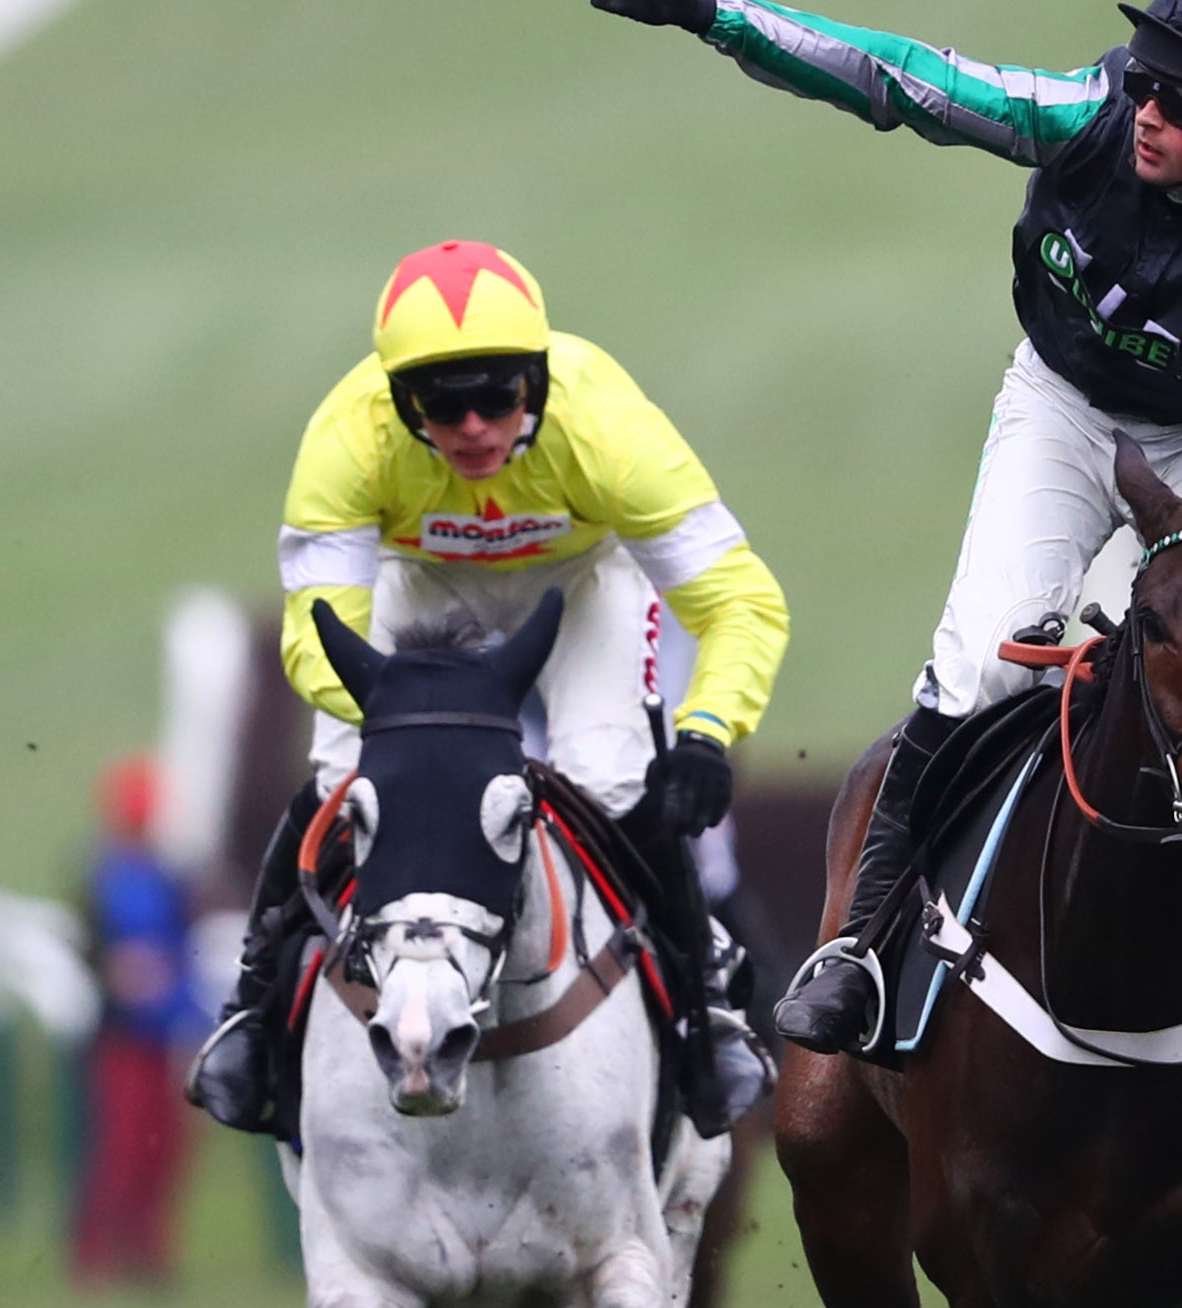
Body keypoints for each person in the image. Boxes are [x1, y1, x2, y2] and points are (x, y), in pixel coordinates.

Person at [577, 0, 1182, 1069]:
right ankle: (861, 943)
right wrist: (710, 15)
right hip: (1069, 410)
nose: (1150, 112)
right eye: (1146, 80)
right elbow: (898, 79)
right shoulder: (1090, 114)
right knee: (984, 665)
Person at [188, 240, 788, 1140]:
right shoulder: (347, 437)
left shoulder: (611, 431)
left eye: (498, 397)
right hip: (422, 583)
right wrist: (414, 728)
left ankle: (709, 1017)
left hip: (581, 588)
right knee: (339, 769)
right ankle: (253, 1010)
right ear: (399, 403)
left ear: (538, 386)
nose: (473, 428)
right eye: (442, 404)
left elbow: (743, 599)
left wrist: (705, 732)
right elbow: (318, 638)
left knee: (614, 781)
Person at [71, 756, 199, 1284]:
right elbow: (89, 949)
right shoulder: (100, 875)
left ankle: (149, 1253)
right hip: (121, 1034)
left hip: (165, 1029)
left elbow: (184, 948)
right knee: (119, 1146)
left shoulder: (169, 876)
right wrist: (117, 973)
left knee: (164, 1148)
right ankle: (96, 1257)